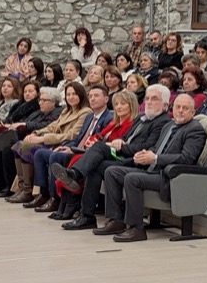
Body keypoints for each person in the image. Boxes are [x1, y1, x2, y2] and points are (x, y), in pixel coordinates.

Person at [54, 85, 173, 229]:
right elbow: (126, 137)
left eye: (154, 99)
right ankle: (86, 213)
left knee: (99, 151)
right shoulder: (141, 118)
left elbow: (147, 147)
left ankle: (76, 179)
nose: (148, 102)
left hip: (135, 160)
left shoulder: (162, 121)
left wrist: (121, 147)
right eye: (147, 98)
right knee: (95, 161)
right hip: (123, 154)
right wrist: (119, 141)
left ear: (165, 104)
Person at [98, 94, 207, 243]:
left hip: (169, 176)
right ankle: (116, 220)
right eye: (178, 107)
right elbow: (157, 148)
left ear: (193, 112)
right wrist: (144, 155)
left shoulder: (195, 130)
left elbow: (187, 158)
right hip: (152, 170)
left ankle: (137, 228)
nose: (180, 111)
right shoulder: (169, 126)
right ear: (172, 109)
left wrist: (155, 158)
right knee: (112, 171)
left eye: (185, 108)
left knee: (132, 178)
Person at [45, 89, 138, 218]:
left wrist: (102, 143)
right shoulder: (114, 123)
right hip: (103, 152)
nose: (119, 107)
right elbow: (97, 137)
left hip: (118, 155)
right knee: (71, 157)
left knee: (80, 158)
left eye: (123, 104)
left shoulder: (132, 124)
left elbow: (122, 144)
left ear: (131, 105)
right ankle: (66, 202)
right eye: (116, 104)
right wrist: (92, 142)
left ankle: (73, 195)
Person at [22, 84, 111, 211]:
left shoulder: (103, 117)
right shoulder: (87, 116)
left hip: (87, 154)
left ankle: (55, 198)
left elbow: (78, 137)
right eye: (90, 96)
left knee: (55, 156)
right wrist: (66, 146)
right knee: (40, 154)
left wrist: (68, 148)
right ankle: (43, 194)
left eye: (96, 96)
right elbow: (77, 138)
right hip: (73, 147)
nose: (92, 99)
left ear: (106, 99)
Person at [6, 82, 90, 203]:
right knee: (18, 145)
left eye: (74, 94)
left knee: (26, 148)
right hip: (53, 141)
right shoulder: (66, 111)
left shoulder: (85, 112)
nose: (71, 97)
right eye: (68, 94)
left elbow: (71, 135)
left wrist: (43, 139)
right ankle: (23, 186)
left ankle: (30, 191)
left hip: (63, 143)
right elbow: (52, 126)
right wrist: (37, 133)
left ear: (81, 95)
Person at [0, 81, 60, 195]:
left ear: (53, 102)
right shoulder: (36, 111)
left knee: (8, 149)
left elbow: (45, 125)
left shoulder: (57, 112)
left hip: (41, 140)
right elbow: (27, 122)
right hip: (26, 136)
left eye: (44, 100)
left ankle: (15, 186)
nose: (40, 102)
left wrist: (24, 125)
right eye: (40, 100)